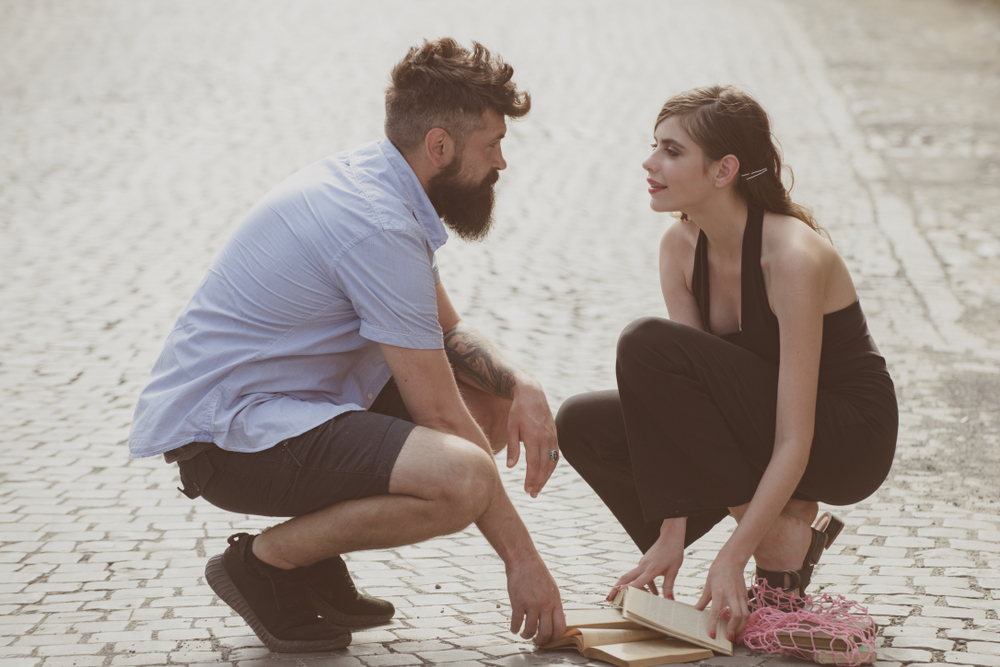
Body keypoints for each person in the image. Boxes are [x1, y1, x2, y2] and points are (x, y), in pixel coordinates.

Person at [128, 37, 566, 652]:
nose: (500, 163)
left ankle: (311, 558)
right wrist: (524, 563)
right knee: (462, 477)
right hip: (225, 439)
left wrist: (521, 381)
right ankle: (265, 564)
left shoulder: (380, 181)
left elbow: (446, 334)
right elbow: (442, 416)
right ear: (439, 145)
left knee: (490, 407)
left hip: (293, 405)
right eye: (491, 145)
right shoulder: (377, 224)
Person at [556, 85, 897, 642]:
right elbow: (677, 408)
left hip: (844, 435)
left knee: (645, 341)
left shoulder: (791, 256)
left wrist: (733, 556)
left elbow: (795, 434)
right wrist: (670, 532)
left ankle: (777, 542)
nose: (650, 162)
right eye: (654, 146)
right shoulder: (679, 248)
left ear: (724, 171)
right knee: (580, 423)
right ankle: (783, 537)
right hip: (757, 427)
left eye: (671, 151)